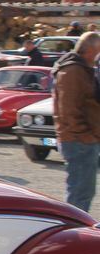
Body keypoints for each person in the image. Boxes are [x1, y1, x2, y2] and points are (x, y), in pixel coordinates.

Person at [52, 32, 100, 212]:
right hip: (78, 141)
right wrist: (86, 135)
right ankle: (74, 233)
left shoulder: (82, 69)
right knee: (80, 193)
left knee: (84, 192)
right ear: (89, 50)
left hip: (83, 139)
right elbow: (69, 110)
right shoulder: (72, 71)